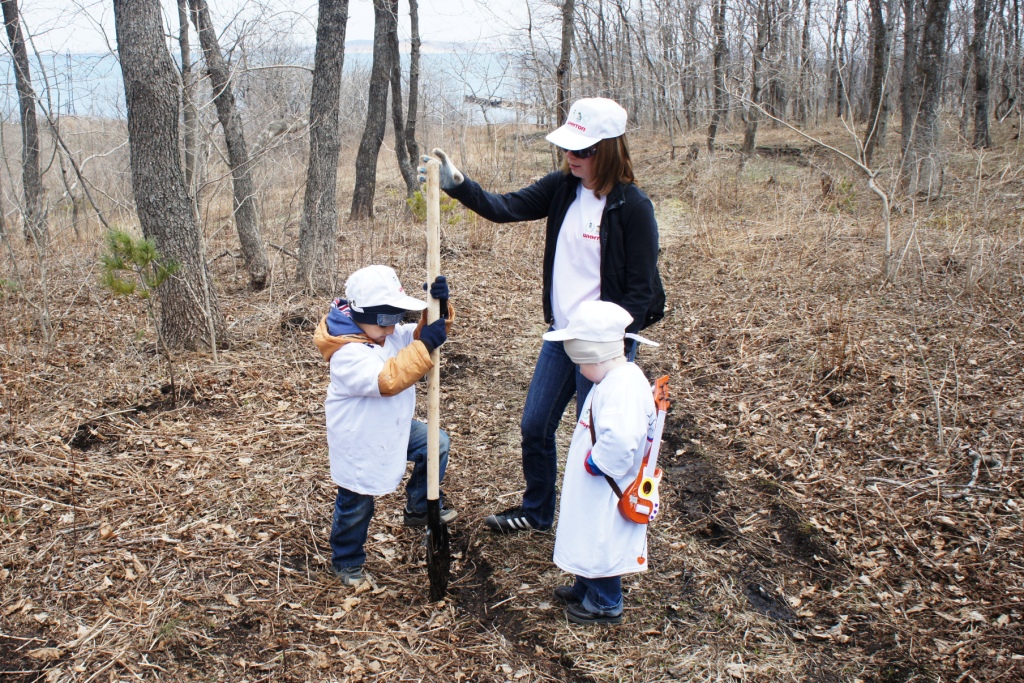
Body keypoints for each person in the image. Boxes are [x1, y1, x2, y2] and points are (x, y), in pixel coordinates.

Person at [421, 97, 663, 534]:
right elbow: (506, 207)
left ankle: (596, 527)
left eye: (582, 151)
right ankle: (538, 513)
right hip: (562, 337)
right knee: (535, 426)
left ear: (607, 150)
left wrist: (609, 341)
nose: (571, 157)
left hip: (605, 348)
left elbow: (640, 294)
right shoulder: (562, 188)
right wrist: (458, 184)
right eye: (567, 148)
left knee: (597, 439)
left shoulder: (633, 208)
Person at [313, 265, 457, 587]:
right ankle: (347, 561)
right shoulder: (346, 354)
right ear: (360, 315)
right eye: (386, 322)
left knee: (436, 444)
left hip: (393, 430)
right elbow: (389, 379)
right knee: (356, 505)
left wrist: (439, 310)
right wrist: (422, 349)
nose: (393, 330)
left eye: (397, 319)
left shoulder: (382, 334)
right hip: (360, 443)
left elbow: (419, 337)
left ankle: (419, 506)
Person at [544, 300, 658, 625]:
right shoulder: (612, 379)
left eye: (580, 362)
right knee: (587, 531)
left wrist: (598, 461)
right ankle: (586, 586)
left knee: (601, 538)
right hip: (596, 487)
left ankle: (606, 603)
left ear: (594, 355)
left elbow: (622, 439)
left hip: (610, 485)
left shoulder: (623, 387)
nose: (578, 370)